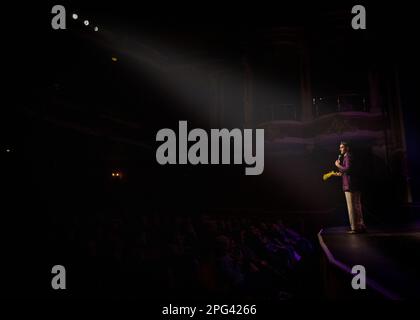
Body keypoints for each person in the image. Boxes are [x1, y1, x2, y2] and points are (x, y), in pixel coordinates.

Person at [334, 142, 366, 234]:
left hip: (349, 185)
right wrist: (340, 171)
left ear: (347, 148)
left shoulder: (347, 156)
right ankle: (361, 225)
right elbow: (347, 170)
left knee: (352, 206)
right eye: (340, 147)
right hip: (354, 184)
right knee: (357, 206)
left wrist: (337, 165)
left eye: (342, 147)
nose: (340, 149)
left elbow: (348, 169)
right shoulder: (349, 156)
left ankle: (355, 228)